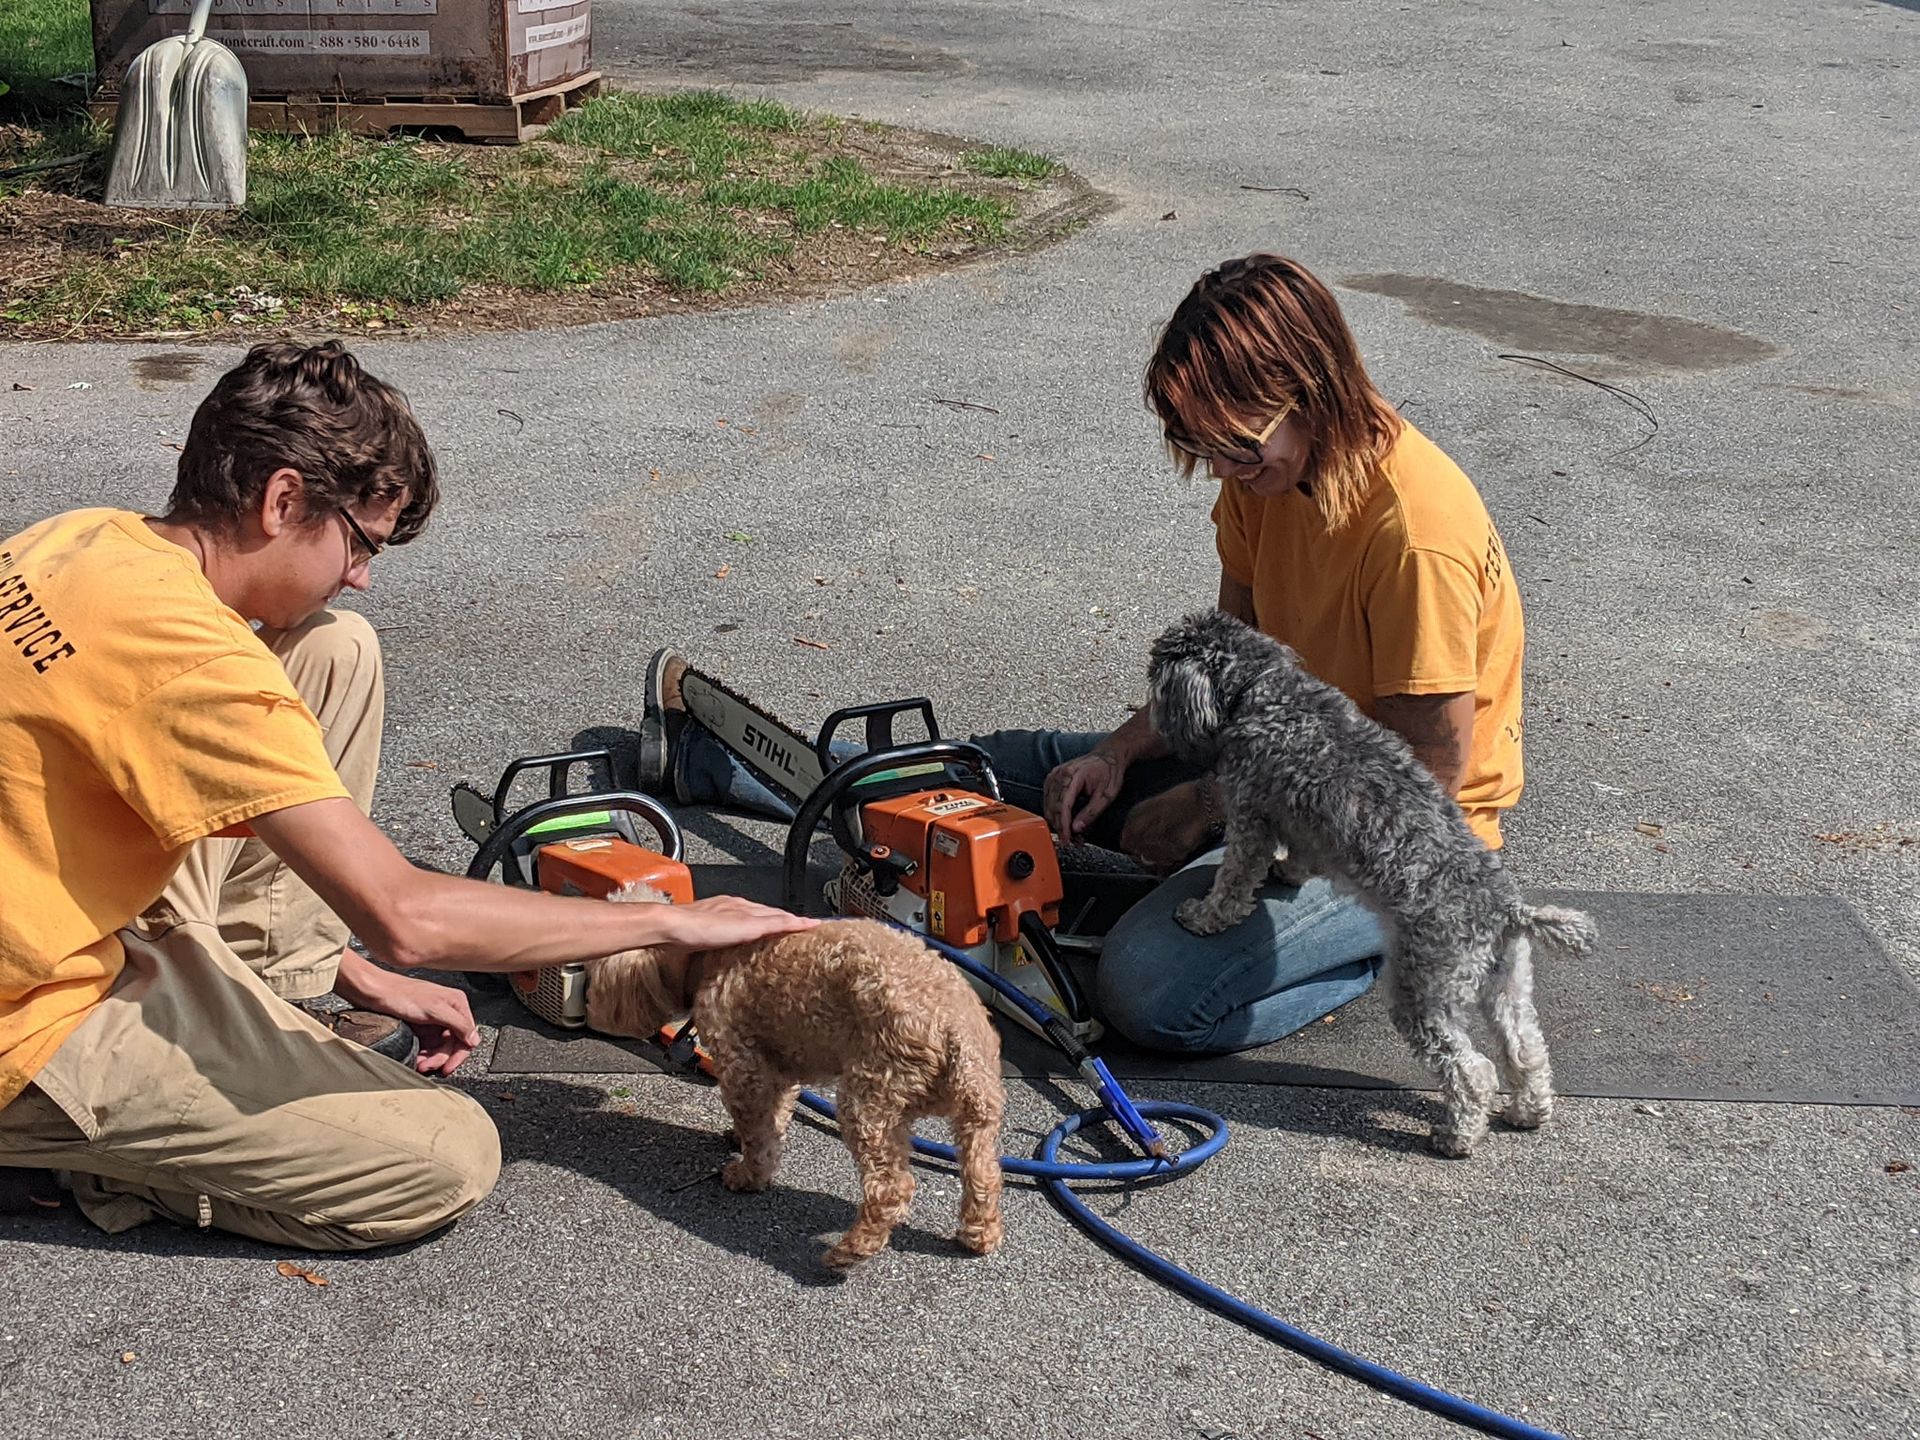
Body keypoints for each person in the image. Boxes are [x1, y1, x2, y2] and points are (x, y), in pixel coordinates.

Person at [0, 342, 813, 1250]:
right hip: (28, 1015)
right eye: (360, 543)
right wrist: (675, 923)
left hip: (52, 901)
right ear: (282, 501)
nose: (362, 577)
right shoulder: (197, 666)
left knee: (333, 647)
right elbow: (409, 920)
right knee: (443, 1156)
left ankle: (277, 983)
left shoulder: (86, 537)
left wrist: (347, 970)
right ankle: (81, 1158)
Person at [635, 253, 1525, 1056]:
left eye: (1236, 446)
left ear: (1312, 387)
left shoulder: (1416, 538)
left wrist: (1208, 804)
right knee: (983, 770)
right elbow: (1223, 667)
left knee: (1146, 993)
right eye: (1202, 447)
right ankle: (727, 762)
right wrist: (1119, 754)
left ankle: (1379, 947)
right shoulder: (1269, 473)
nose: (1220, 469)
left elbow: (1426, 779)